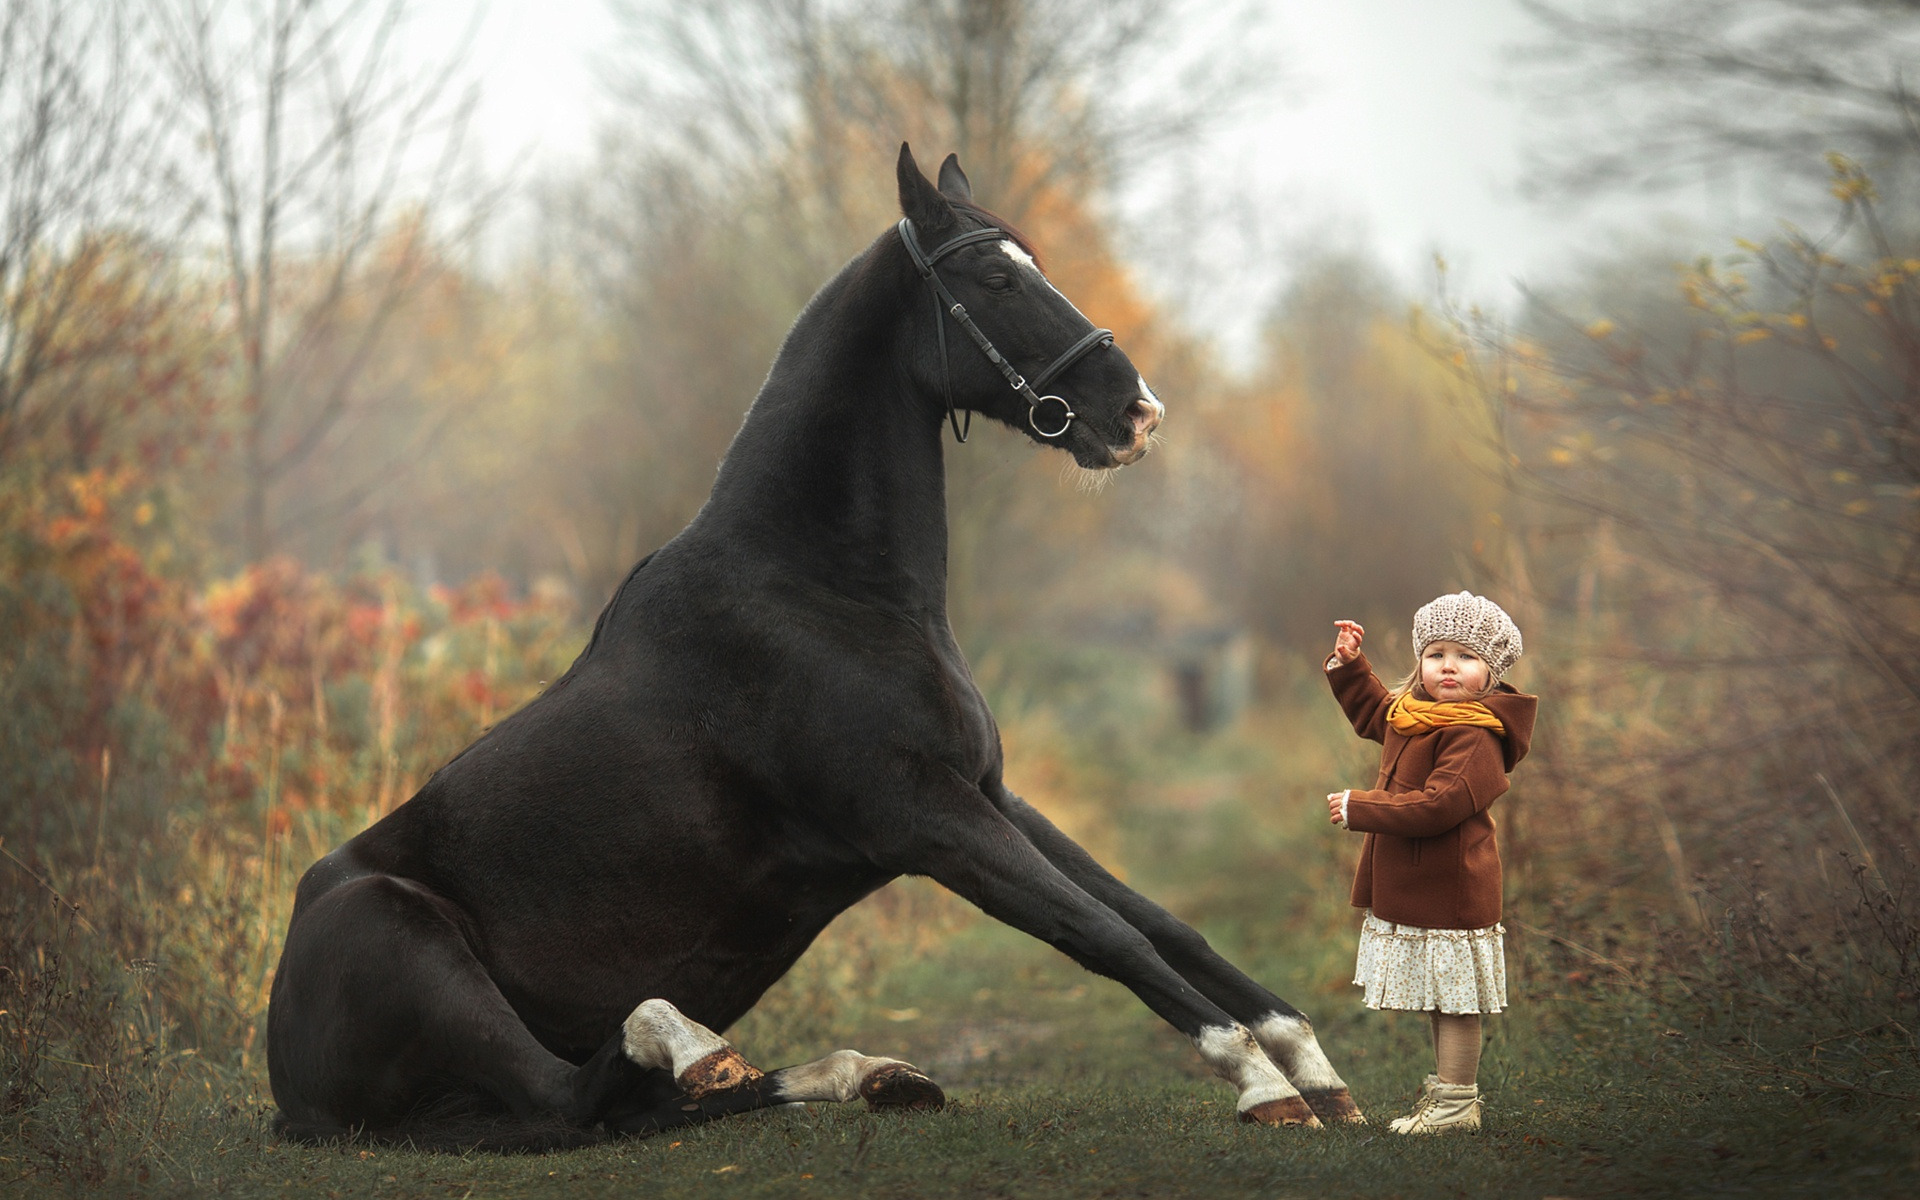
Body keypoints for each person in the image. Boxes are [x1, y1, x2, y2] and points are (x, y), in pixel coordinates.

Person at [1321, 591, 1537, 1135]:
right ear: (1420, 661)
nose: (1448, 666)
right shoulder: (1415, 715)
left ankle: (1459, 1104)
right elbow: (1375, 712)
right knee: (1440, 1000)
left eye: (1466, 657)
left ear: (1490, 672)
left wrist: (1360, 807)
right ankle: (1446, 1097)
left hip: (1452, 887)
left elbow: (1439, 806)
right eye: (1436, 653)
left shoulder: (1475, 735)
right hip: (1421, 880)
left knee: (1456, 1002)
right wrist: (1352, 668)